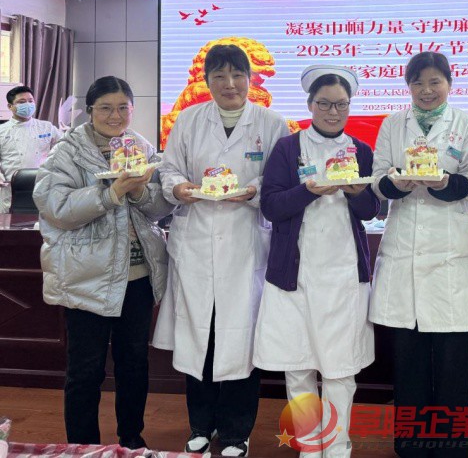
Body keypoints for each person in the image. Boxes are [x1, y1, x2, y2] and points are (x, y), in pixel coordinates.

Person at [153, 44, 288, 458]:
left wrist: (252, 191)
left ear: (250, 78)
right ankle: (201, 424)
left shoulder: (272, 123)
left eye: (237, 75)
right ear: (207, 81)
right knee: (200, 336)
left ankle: (235, 432)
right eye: (219, 76)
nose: (230, 84)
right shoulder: (189, 119)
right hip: (196, 240)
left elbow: (279, 178)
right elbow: (170, 168)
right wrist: (179, 188)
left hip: (245, 242)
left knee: (240, 340)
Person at [33, 76, 172, 448]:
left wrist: (139, 192)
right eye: (106, 108)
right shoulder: (67, 152)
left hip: (138, 277)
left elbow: (161, 208)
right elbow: (56, 207)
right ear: (90, 110)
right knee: (85, 370)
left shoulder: (140, 147)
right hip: (87, 277)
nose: (115, 115)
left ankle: (132, 440)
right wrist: (111, 193)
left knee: (134, 364)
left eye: (123, 107)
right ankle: (83, 447)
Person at [255, 65, 380, 458]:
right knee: (298, 366)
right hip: (295, 275)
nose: (332, 112)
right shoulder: (288, 149)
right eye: (324, 103)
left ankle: (338, 447)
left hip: (344, 276)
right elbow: (272, 206)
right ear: (310, 105)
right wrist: (308, 190)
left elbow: (371, 210)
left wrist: (355, 192)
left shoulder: (360, 150)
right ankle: (310, 447)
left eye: (341, 104)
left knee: (341, 369)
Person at [369, 51, 468, 458]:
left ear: (449, 83)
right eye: (418, 82)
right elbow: (379, 180)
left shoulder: (466, 124)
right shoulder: (392, 124)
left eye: (435, 81)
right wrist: (398, 183)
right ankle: (412, 445)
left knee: (453, 365)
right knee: (409, 363)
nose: (426, 90)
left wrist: (442, 182)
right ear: (408, 86)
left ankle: (453, 447)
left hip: (451, 256)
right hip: (405, 251)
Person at [0, 85, 62, 212]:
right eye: (22, 102)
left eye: (30, 101)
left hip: (43, 187)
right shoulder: (2, 131)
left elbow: (66, 148)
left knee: (42, 221)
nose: (28, 105)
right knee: (11, 223)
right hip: (10, 190)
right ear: (10, 106)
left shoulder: (46, 127)